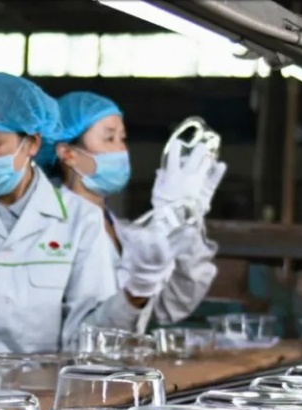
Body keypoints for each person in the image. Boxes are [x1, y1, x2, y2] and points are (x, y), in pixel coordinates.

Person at [0, 72, 169, 358]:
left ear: (32, 143)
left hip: (36, 384)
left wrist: (136, 293)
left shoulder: (79, 220)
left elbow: (88, 339)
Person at [39, 91, 226, 330]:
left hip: (122, 354)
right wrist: (137, 291)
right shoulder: (53, 227)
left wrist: (185, 215)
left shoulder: (119, 229)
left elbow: (168, 307)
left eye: (123, 138)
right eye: (109, 139)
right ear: (68, 154)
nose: (122, 150)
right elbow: (81, 333)